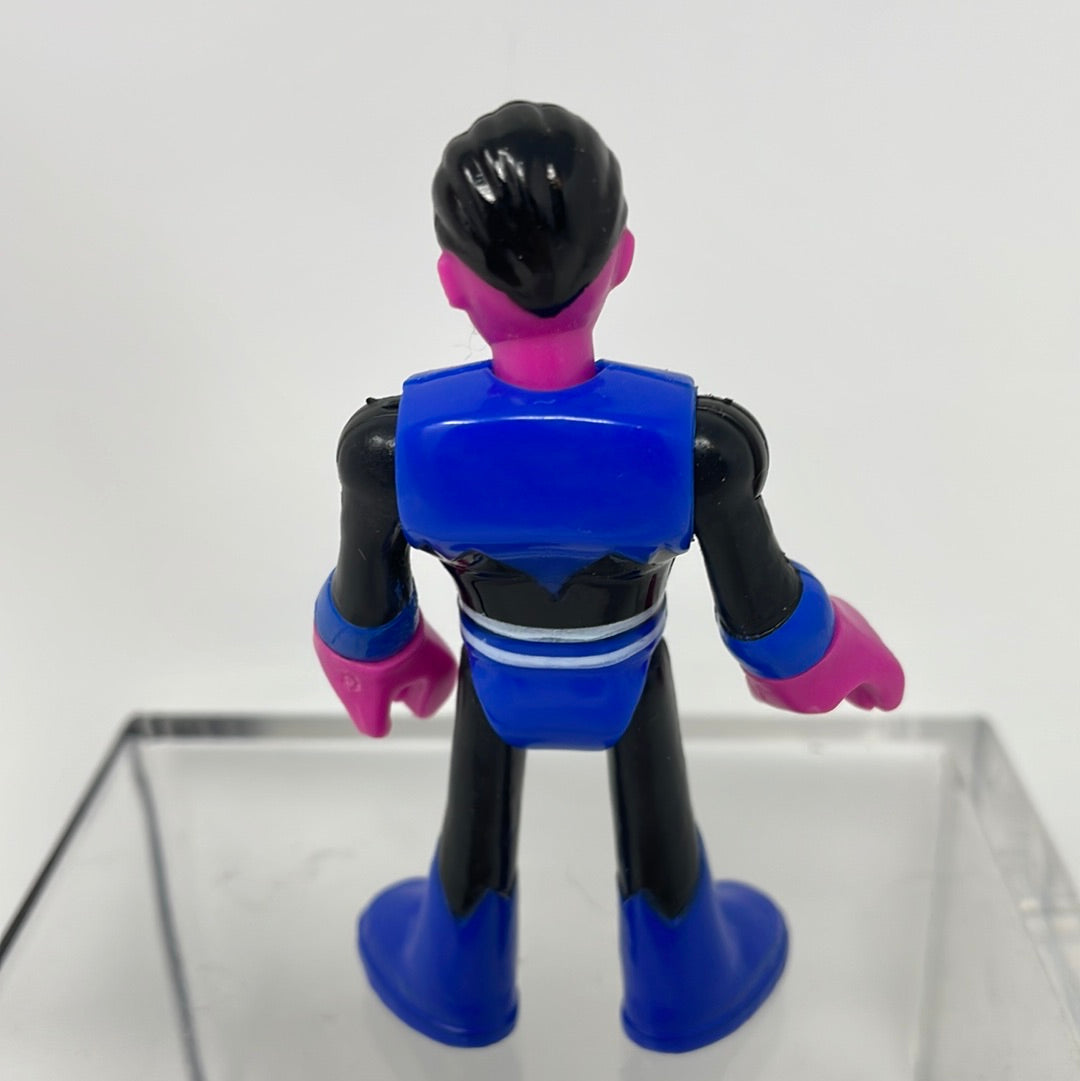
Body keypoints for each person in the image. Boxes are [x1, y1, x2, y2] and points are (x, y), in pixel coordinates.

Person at [314, 101, 904, 1052]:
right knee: (658, 820)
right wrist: (834, 654)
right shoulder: (697, 443)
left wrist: (386, 661)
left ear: (452, 282)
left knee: (472, 824)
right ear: (622, 259)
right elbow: (765, 612)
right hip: (628, 676)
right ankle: (683, 981)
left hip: (493, 675)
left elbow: (364, 605)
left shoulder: (395, 445)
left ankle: (458, 971)